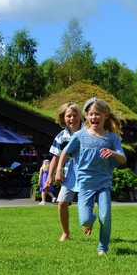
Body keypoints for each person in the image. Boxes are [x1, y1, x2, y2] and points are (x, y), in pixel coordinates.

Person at [55, 98, 127, 256]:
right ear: (86, 116)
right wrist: (59, 169)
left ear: (106, 116)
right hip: (85, 184)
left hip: (103, 183)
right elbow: (65, 152)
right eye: (91, 114)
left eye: (98, 114)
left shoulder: (112, 138)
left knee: (105, 216)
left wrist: (114, 153)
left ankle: (103, 247)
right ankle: (90, 220)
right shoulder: (80, 136)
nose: (94, 117)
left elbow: (123, 159)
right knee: (85, 220)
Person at [45, 102, 84, 241]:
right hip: (68, 174)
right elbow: (55, 158)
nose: (72, 119)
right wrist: (50, 176)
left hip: (86, 172)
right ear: (63, 119)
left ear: (80, 116)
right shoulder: (61, 137)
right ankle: (65, 233)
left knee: (86, 202)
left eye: (75, 115)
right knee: (62, 202)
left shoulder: (89, 132)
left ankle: (88, 222)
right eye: (69, 116)